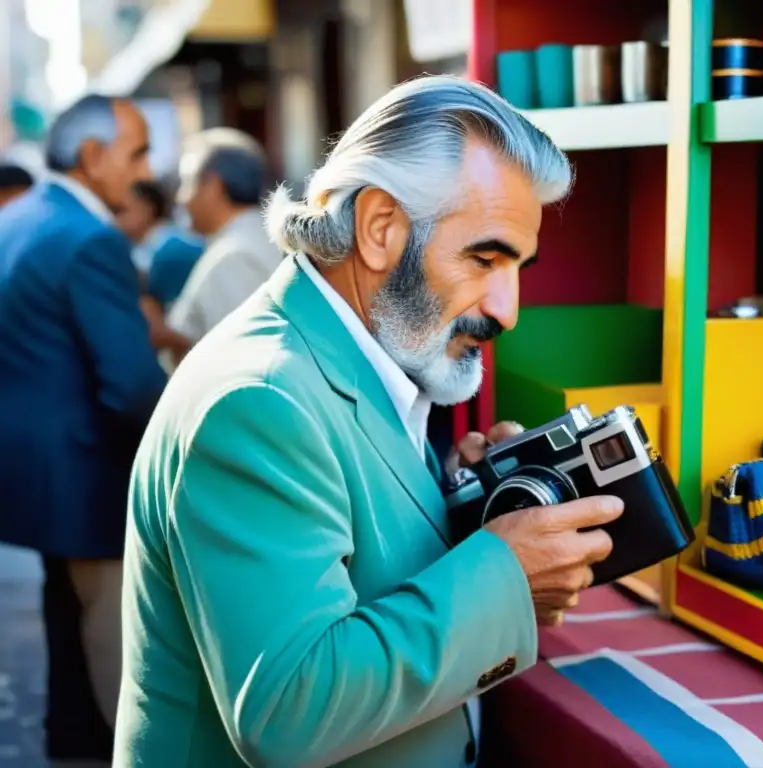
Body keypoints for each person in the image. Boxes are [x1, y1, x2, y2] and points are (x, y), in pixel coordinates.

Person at [117, 75, 622, 767]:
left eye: (518, 267)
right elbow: (289, 712)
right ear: (380, 228)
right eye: (484, 257)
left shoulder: (357, 358)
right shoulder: (260, 401)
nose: (507, 310)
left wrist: (466, 513)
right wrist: (505, 572)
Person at [0, 94, 167, 762]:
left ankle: (69, 739)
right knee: (112, 632)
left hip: (34, 466)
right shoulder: (91, 236)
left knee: (65, 611)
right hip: (84, 468)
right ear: (94, 157)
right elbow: (130, 384)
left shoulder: (21, 217)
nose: (145, 169)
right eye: (137, 152)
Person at [149, 128, 280, 364]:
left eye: (187, 183)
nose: (181, 197)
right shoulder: (255, 239)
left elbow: (236, 355)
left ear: (213, 186)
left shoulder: (234, 256)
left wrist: (162, 332)